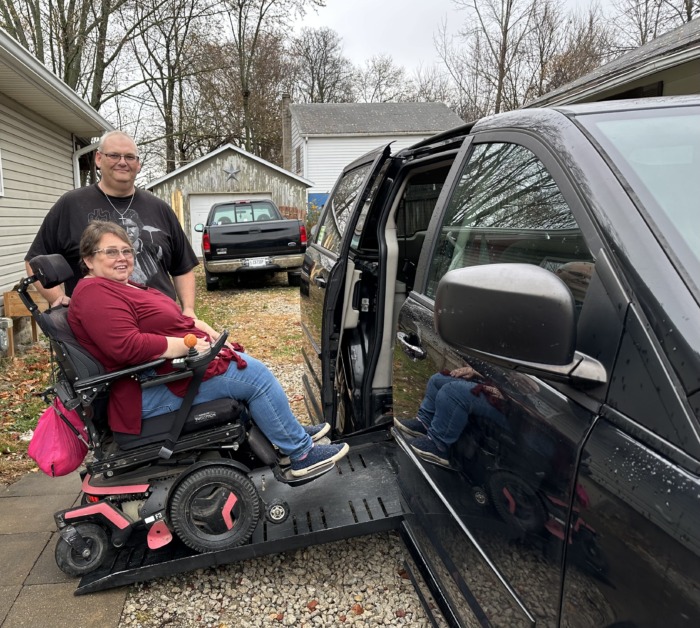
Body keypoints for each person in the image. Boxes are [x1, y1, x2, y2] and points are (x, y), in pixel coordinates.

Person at [67, 221, 348, 478]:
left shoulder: (118, 286)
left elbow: (164, 319)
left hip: (158, 376)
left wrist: (198, 326)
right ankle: (301, 453)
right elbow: (125, 346)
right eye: (111, 252)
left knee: (246, 365)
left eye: (127, 251)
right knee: (255, 377)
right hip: (144, 393)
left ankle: (288, 433)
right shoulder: (95, 295)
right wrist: (187, 343)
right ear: (89, 259)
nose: (122, 258)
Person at [25, 130, 198, 317]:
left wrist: (188, 309)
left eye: (130, 157)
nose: (122, 162)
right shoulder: (71, 204)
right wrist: (57, 298)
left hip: (159, 319)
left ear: (138, 164)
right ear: (98, 159)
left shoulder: (160, 208)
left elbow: (183, 267)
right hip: (98, 328)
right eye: (114, 155)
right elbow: (35, 261)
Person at [393, 365, 508, 468]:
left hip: (511, 408)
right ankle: (425, 423)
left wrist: (506, 392)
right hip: (495, 385)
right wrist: (475, 371)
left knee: (454, 392)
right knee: (437, 380)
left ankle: (439, 446)